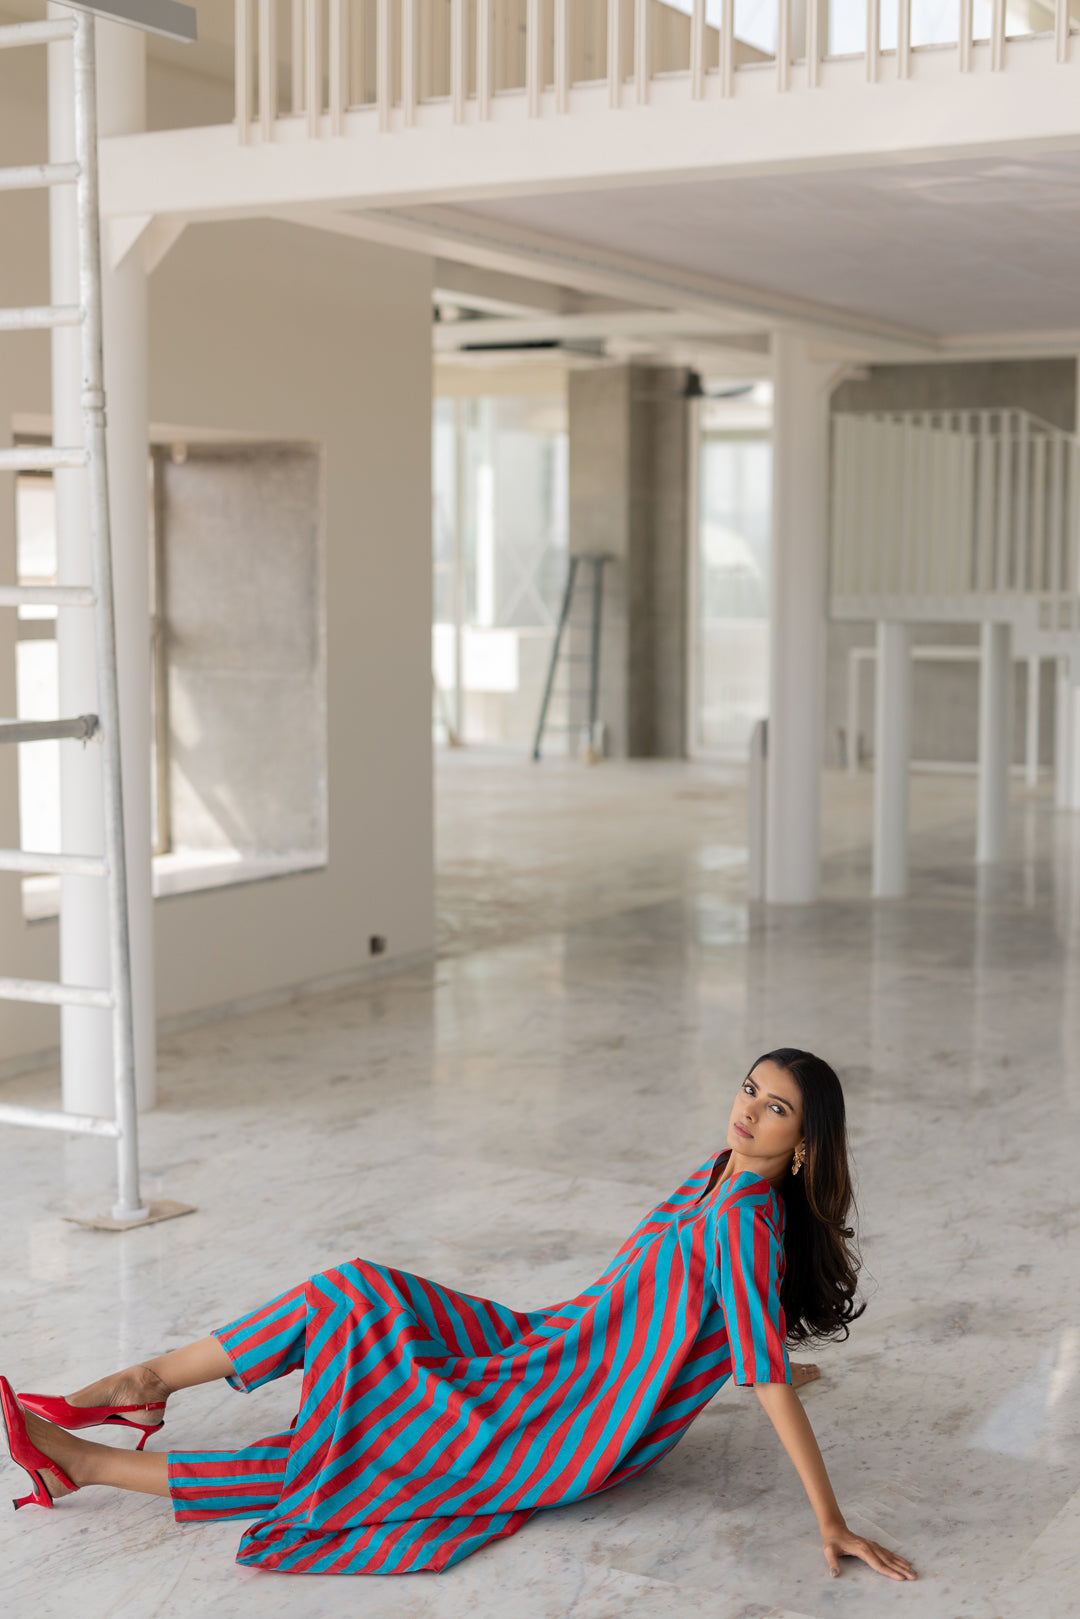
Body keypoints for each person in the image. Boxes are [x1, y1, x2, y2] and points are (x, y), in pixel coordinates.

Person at [2, 1048, 915, 1582]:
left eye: (775, 1108)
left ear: (804, 1143)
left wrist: (830, 1519)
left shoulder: (744, 1223)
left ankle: (87, 1459)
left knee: (354, 1457)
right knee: (355, 1288)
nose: (748, 1111)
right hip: (547, 1342)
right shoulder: (720, 1173)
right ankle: (142, 1383)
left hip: (572, 1410)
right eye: (749, 1088)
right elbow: (722, 1320)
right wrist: (755, 1354)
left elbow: (757, 1368)